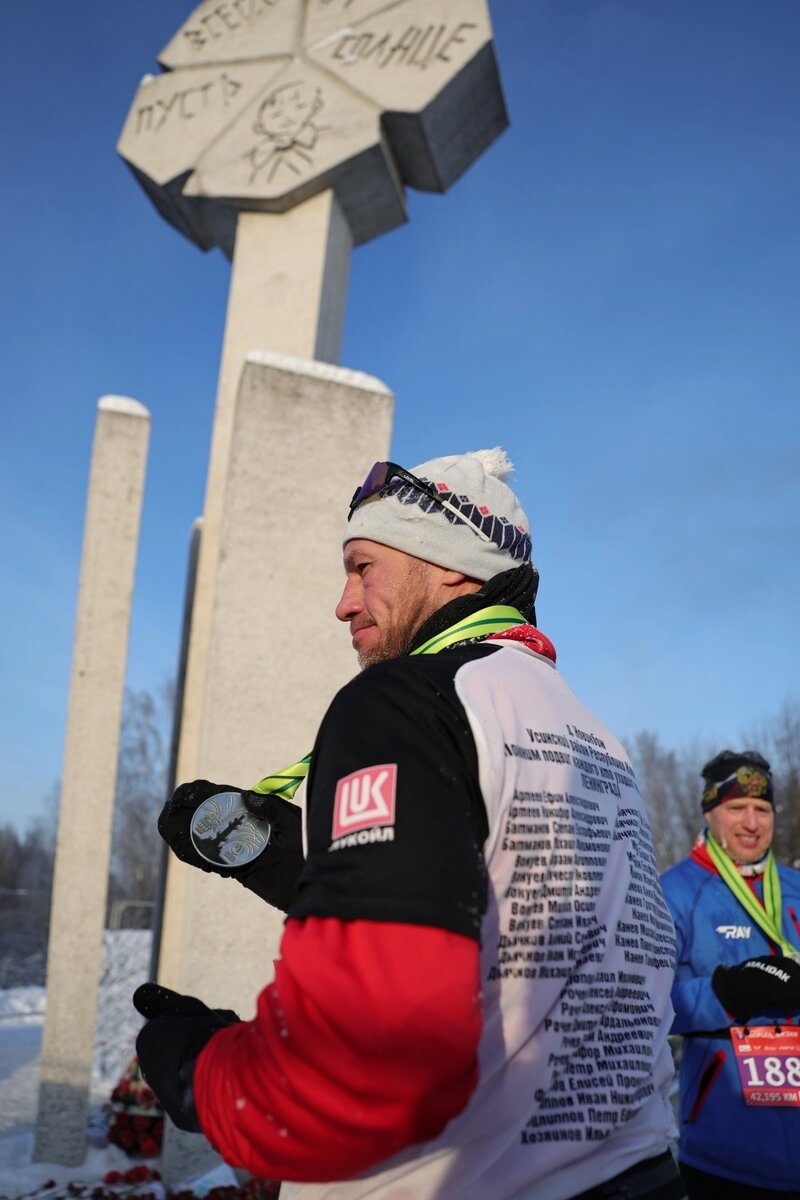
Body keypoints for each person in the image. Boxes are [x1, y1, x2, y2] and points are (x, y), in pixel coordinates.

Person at [134, 448, 685, 1200]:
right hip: (632, 1172)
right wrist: (270, 855)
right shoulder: (589, 732)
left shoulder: (402, 703)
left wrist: (198, 1066)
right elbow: (493, 910)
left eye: (364, 567)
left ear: (452, 566)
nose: (344, 602)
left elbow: (364, 1071)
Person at [660, 750, 800, 1200]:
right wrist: (727, 992)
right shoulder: (676, 891)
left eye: (762, 809)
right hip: (725, 1152)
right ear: (709, 811)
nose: (752, 823)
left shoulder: (795, 887)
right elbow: (645, 1003)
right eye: (736, 808)